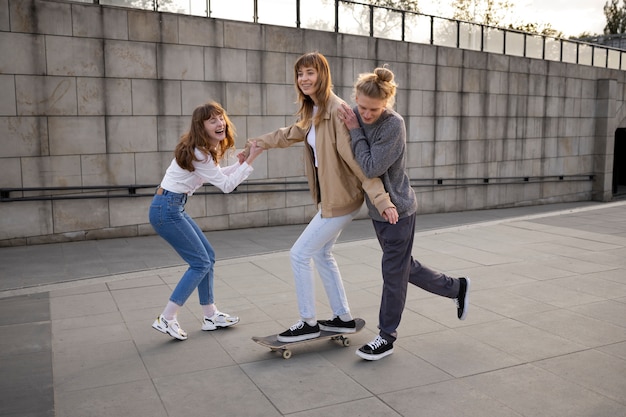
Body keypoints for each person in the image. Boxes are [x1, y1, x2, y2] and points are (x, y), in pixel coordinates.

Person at [243, 52, 397, 343]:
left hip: (340, 201)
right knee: (322, 254)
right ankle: (342, 317)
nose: (304, 79)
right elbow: (290, 133)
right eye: (300, 74)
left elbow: (359, 165)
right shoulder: (315, 110)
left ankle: (307, 321)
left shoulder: (337, 112)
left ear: (322, 75)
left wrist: (382, 200)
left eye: (310, 73)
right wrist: (257, 144)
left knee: (299, 254)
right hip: (330, 200)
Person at [338, 67, 470, 360]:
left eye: (374, 109)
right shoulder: (356, 115)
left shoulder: (393, 125)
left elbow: (372, 167)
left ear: (387, 104)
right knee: (402, 266)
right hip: (377, 210)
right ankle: (456, 287)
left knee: (393, 273)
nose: (367, 114)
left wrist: (356, 132)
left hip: (398, 209)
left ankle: (386, 336)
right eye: (361, 107)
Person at [150, 101, 264, 341]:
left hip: (171, 206)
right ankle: (167, 317)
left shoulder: (202, 150)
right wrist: (251, 160)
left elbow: (219, 175)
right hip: (167, 210)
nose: (220, 123)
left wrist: (241, 163)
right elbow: (225, 186)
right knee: (200, 263)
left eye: (221, 117)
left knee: (208, 257)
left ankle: (210, 315)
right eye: (212, 120)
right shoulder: (200, 153)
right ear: (201, 127)